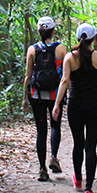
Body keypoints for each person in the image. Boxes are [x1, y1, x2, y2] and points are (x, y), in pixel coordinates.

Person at [52, 23, 97, 193]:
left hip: (75, 105)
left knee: (78, 143)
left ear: (78, 39)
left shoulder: (70, 58)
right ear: (94, 39)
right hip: (94, 106)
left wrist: (57, 105)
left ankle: (78, 178)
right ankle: (89, 189)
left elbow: (64, 81)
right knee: (91, 146)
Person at [22, 16, 67, 182]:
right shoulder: (61, 49)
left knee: (41, 130)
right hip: (56, 96)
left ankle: (42, 169)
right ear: (53, 30)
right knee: (55, 126)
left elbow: (28, 76)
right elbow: (66, 75)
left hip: (37, 95)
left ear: (39, 31)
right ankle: (54, 157)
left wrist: (24, 99)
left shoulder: (32, 50)